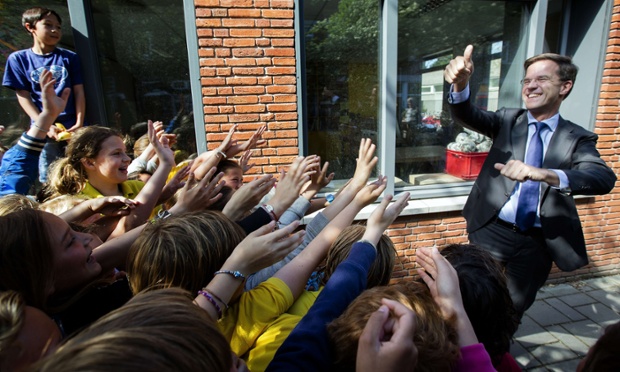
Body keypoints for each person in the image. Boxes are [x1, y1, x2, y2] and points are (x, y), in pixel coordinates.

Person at [444, 45, 616, 315]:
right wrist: (461, 84)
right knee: (473, 300)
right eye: (527, 80)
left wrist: (544, 174)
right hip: (491, 230)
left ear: (565, 87)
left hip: (536, 243)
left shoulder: (577, 137)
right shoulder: (508, 120)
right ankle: (468, 351)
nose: (531, 86)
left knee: (512, 310)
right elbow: (466, 114)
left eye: (542, 79)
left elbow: (602, 178)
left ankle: (496, 354)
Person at [2, 7, 86, 183]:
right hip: (43, 129)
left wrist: (79, 122)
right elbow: (22, 95)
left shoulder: (69, 58)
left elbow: (79, 91)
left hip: (72, 127)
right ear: (30, 27)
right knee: (49, 176)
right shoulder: (19, 59)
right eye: (48, 25)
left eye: (58, 26)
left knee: (81, 170)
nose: (55, 30)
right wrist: (45, 124)